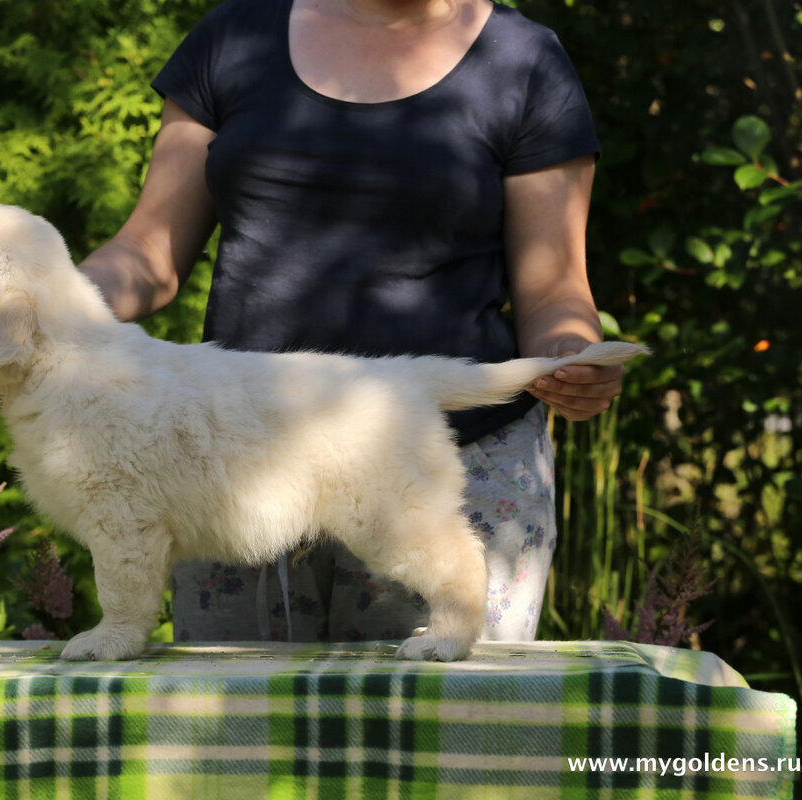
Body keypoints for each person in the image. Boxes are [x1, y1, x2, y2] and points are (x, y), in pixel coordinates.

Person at [77, 0, 622, 643]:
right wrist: (44, 306)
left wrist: (571, 355)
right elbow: (148, 254)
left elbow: (554, 288)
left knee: (444, 734)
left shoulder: (525, 62)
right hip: (235, 464)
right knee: (239, 734)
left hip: (448, 460)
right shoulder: (233, 40)